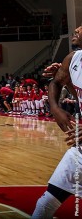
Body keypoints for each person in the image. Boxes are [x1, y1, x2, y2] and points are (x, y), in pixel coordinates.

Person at [31, 27, 82, 218]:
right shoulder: (73, 59)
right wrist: (55, 108)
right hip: (80, 150)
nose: (76, 29)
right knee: (45, 204)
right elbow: (56, 83)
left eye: (81, 26)